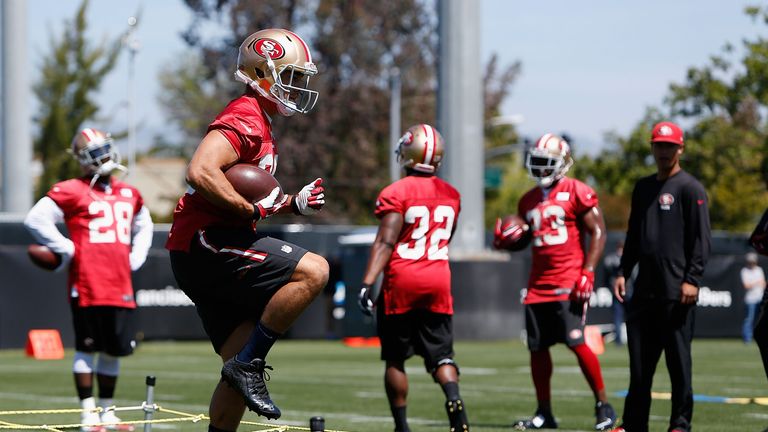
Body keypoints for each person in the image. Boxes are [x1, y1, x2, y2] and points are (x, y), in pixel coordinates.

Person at [165, 28, 329, 432]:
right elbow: (201, 171)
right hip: (206, 242)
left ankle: (244, 367)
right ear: (263, 72)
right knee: (315, 271)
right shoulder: (245, 115)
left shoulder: (260, 121)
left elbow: (249, 202)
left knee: (233, 368)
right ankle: (252, 364)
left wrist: (292, 204)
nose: (298, 86)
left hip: (201, 246)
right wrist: (246, 207)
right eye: (291, 75)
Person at [24, 128, 154, 432]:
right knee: (87, 348)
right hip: (87, 282)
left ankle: (107, 413)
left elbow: (144, 223)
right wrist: (65, 247)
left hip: (120, 283)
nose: (105, 156)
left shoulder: (129, 192)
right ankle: (87, 415)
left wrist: (138, 253)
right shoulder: (71, 189)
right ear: (84, 159)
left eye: (106, 149)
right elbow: (35, 219)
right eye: (97, 152)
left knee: (113, 349)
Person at [357, 124, 469, 432]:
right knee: (442, 357)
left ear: (408, 153)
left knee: (395, 359)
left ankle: (402, 426)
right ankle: (454, 400)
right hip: (438, 279)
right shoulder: (452, 195)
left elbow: (386, 241)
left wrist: (367, 282)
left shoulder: (397, 192)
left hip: (402, 280)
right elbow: (447, 237)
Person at [501, 133, 616, 431]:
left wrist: (588, 272)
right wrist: (507, 240)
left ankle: (603, 405)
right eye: (537, 162)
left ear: (562, 164)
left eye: (546, 162)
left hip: (568, 280)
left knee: (577, 342)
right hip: (538, 284)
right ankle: (544, 412)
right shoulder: (527, 200)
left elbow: (599, 232)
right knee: (537, 349)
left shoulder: (578, 191)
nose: (540, 169)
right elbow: (524, 237)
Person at [611, 121, 711, 432]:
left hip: (676, 291)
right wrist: (623, 272)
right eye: (659, 145)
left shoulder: (690, 188)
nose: (664, 151)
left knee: (679, 364)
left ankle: (680, 423)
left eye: (670, 146)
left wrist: (692, 279)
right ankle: (633, 423)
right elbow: (635, 234)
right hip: (645, 292)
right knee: (640, 367)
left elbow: (701, 239)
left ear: (681, 148)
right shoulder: (643, 187)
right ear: (652, 148)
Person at [603, 241, 626, 346]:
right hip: (620, 290)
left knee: (620, 316)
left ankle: (620, 340)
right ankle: (619, 340)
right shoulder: (613, 259)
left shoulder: (611, 259)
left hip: (625, 290)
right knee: (618, 316)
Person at [741, 252, 766, 343]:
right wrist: (757, 282)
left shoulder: (759, 270)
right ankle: (747, 339)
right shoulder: (744, 271)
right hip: (750, 299)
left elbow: (763, 283)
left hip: (759, 298)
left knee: (759, 320)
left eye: (753, 261)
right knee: (749, 319)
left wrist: (757, 283)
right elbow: (747, 285)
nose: (751, 263)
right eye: (750, 261)